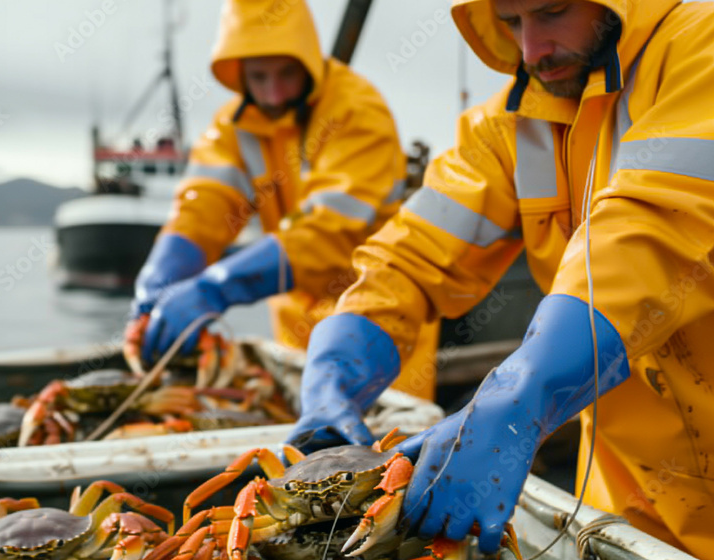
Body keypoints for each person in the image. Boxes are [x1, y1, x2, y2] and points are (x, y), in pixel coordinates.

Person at [287, 0, 714, 556]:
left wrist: (525, 389)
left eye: (553, 11)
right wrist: (336, 365)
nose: (530, 49)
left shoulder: (701, 44)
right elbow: (414, 252)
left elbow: (654, 227)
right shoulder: (512, 123)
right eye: (511, 23)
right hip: (627, 498)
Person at [126, 0, 440, 405]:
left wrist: (215, 288)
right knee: (297, 449)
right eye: (259, 76)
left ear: (308, 62)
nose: (273, 92)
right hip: (294, 321)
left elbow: (330, 233)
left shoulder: (357, 110)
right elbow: (203, 203)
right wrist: (163, 271)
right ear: (238, 74)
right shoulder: (232, 128)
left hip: (375, 314)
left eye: (286, 73)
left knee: (385, 450)